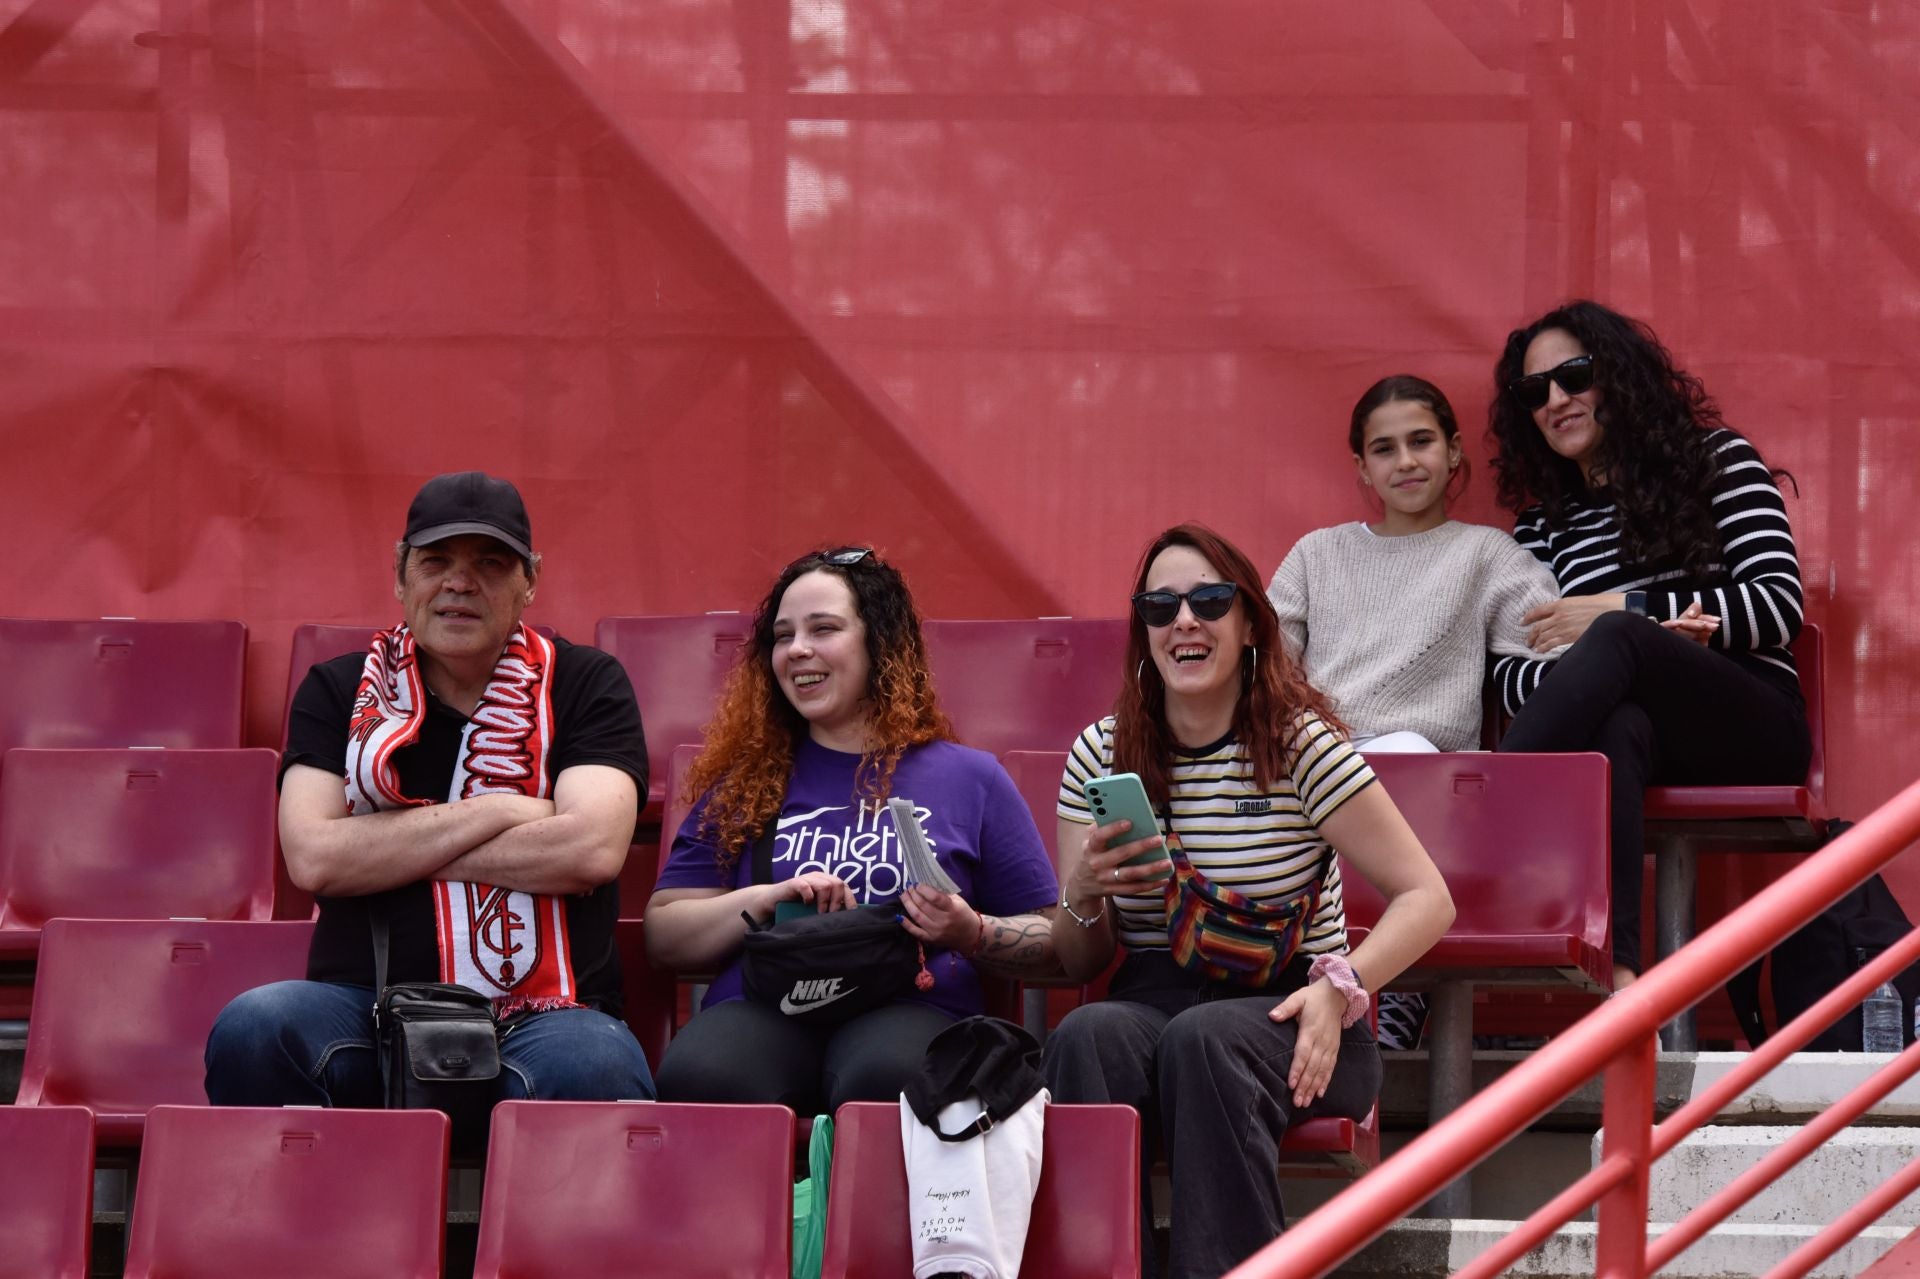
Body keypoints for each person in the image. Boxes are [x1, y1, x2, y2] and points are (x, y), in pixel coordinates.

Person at [1042, 523, 1455, 1279]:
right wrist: (1082, 892)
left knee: (1204, 1039)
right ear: (1143, 631)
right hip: (1158, 999)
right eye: (1161, 607)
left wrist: (1341, 991)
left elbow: (1428, 899)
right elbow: (1082, 957)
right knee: (1084, 1035)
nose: (1185, 620)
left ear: (1248, 623)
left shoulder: (1302, 747)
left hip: (1300, 1010)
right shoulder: (1099, 753)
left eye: (1209, 599)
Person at [205, 471, 656, 1110]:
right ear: (400, 575)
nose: (459, 583)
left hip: (547, 1015)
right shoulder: (338, 689)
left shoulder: (587, 682)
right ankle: (322, 1215)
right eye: (435, 560)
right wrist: (499, 811)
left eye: (492, 564)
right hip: (366, 1006)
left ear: (531, 581)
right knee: (257, 1026)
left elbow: (590, 851)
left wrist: (387, 852)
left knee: (597, 1063)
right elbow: (314, 858)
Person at [647, 545, 1061, 1114]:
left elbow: (1053, 942)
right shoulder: (744, 782)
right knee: (706, 1073)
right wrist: (766, 899)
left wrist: (970, 930)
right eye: (783, 635)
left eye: (824, 629)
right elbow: (665, 932)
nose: (797, 650)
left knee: (892, 1076)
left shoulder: (970, 779)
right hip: (765, 1003)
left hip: (914, 1006)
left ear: (881, 645)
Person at [1487, 300, 1812, 987]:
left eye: (1574, 375)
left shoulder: (1716, 460)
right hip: (1638, 732)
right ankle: (1623, 982)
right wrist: (1626, 641)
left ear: (1619, 376)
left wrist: (1627, 617)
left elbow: (1777, 605)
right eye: (1534, 390)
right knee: (1617, 723)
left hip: (1750, 721)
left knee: (1616, 636)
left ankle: (1487, 829)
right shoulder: (1544, 529)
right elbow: (1512, 674)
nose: (1555, 399)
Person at [1266, 374, 1559, 1048]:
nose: (1405, 461)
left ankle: (1392, 989)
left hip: (1420, 763)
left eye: (1422, 441)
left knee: (1400, 761)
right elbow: (1263, 657)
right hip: (1319, 752)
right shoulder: (1319, 553)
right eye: (1385, 448)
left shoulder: (1485, 553)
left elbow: (1548, 642)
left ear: (1455, 451)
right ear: (1361, 466)